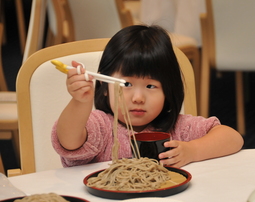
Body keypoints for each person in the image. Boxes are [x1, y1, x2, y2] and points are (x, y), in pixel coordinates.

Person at [51, 25, 244, 168]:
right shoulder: (100, 127)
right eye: (126, 84)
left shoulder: (178, 128)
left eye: (151, 86)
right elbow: (69, 141)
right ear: (103, 86)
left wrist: (192, 151)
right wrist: (80, 102)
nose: (138, 98)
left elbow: (232, 138)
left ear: (168, 91)